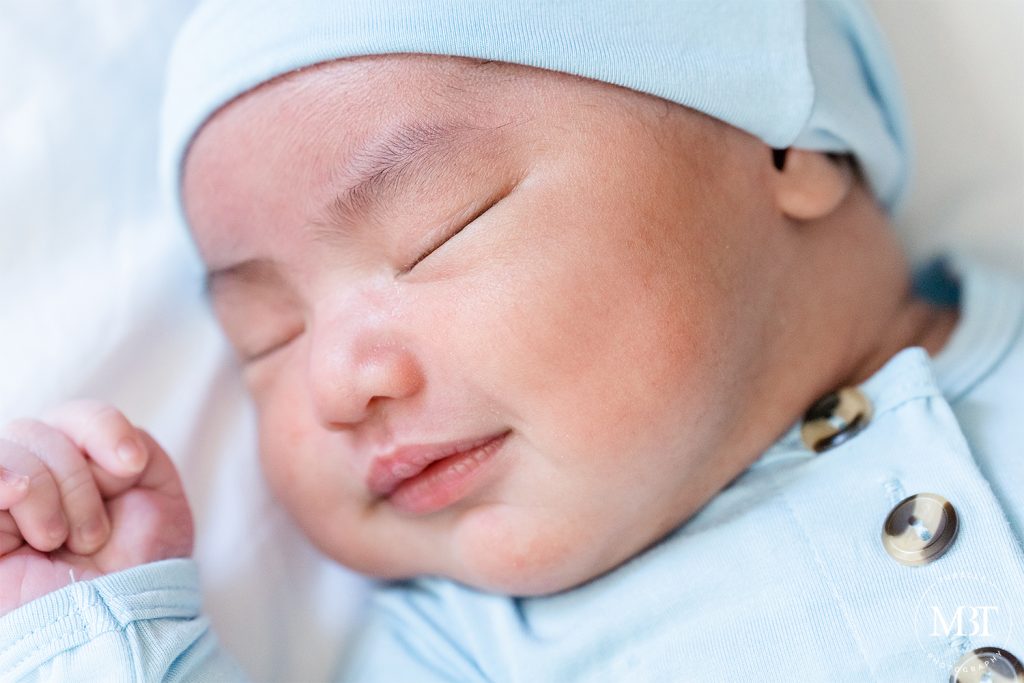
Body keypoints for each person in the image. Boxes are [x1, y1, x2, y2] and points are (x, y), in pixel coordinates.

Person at [3, 0, 1024, 680]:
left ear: (786, 147)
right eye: (263, 338)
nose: (333, 382)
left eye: (437, 228)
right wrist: (96, 627)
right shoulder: (463, 649)